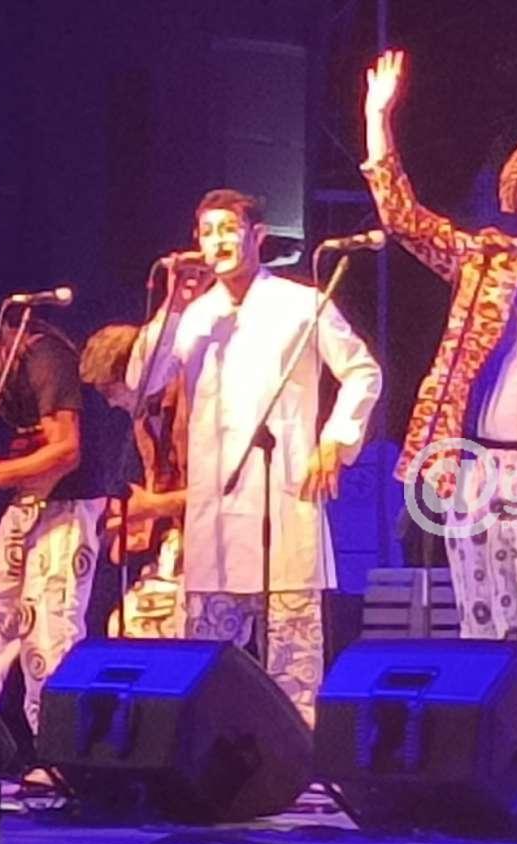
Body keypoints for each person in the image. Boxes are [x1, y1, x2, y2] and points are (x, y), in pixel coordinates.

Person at [361, 50, 517, 707]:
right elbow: (405, 222)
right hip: (477, 469)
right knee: (486, 628)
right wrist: (377, 120)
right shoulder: (486, 261)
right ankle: (495, 741)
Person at [126, 188, 382, 727]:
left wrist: (336, 439)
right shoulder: (194, 316)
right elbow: (140, 384)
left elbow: (362, 370)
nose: (217, 241)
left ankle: (299, 756)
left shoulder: (300, 303)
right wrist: (172, 307)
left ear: (257, 236)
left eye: (228, 229)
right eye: (207, 232)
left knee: (293, 662)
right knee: (206, 663)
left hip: (284, 493)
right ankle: (208, 754)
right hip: (215, 508)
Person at [0, 298, 117, 735]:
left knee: (47, 628)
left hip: (69, 505)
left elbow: (66, 451)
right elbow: (21, 454)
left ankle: (60, 747)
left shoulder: (44, 355)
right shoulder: (5, 380)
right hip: (30, 503)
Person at [80, 322, 188, 638]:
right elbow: (161, 487)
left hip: (218, 545)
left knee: (141, 627)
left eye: (110, 391)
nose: (110, 404)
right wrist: (139, 526)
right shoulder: (144, 418)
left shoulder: (192, 404)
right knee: (123, 625)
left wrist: (152, 507)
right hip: (181, 538)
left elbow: (218, 492)